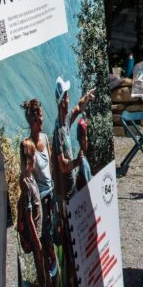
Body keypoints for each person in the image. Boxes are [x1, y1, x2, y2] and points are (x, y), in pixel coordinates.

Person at [22, 98, 58, 279]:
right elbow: (27, 173)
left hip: (50, 191)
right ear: (35, 119)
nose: (43, 119)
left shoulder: (44, 138)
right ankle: (49, 263)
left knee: (52, 228)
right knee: (44, 232)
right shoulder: (28, 145)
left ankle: (52, 260)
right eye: (41, 116)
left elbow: (50, 164)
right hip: (41, 196)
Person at [51, 77, 94, 205]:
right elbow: (63, 166)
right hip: (66, 192)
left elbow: (78, 107)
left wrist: (87, 96)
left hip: (71, 184)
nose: (69, 99)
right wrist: (78, 161)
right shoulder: (59, 131)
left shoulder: (66, 119)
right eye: (68, 96)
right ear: (63, 101)